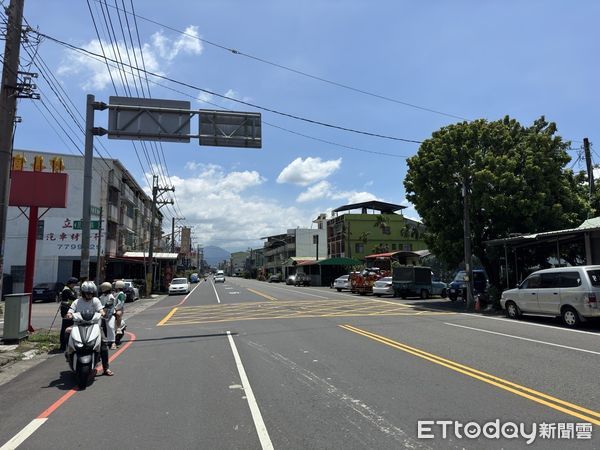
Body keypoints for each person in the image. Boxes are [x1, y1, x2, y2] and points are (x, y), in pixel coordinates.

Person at [66, 281, 114, 376]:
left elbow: (100, 309)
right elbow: (70, 310)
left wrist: (103, 313)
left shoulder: (95, 300)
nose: (89, 295)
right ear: (83, 293)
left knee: (104, 345)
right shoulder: (77, 301)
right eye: (87, 293)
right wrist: (69, 314)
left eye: (91, 293)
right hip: (78, 325)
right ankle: (68, 352)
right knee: (67, 331)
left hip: (94, 325)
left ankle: (106, 368)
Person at [59, 277, 78, 352]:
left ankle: (66, 344)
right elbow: (73, 298)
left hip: (68, 309)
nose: (74, 285)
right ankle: (63, 345)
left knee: (68, 326)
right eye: (74, 284)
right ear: (71, 283)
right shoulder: (67, 290)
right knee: (65, 327)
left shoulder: (69, 289)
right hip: (66, 310)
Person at [98, 282, 116, 350]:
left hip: (110, 314)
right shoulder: (101, 296)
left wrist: (103, 309)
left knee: (110, 326)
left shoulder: (111, 296)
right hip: (102, 313)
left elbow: (109, 305)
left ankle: (113, 342)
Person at [113, 280, 127, 348]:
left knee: (118, 315)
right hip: (113, 310)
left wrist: (115, 308)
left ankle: (118, 328)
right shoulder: (116, 293)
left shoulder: (121, 294)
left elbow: (120, 303)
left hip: (118, 310)